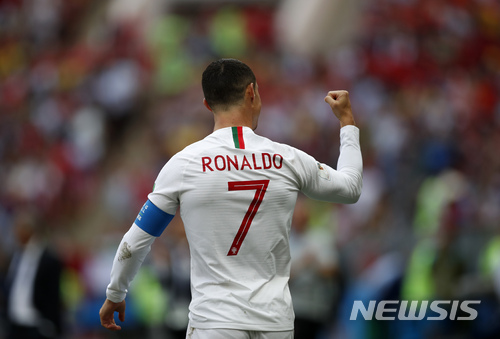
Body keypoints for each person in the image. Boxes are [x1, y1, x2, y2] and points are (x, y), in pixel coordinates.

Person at [99, 58, 363, 339]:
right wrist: (347, 122)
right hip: (275, 322)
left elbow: (136, 240)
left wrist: (116, 291)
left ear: (207, 105)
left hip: (215, 322)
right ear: (252, 93)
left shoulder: (183, 165)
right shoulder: (287, 159)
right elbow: (350, 188)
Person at [4, 210, 63, 339]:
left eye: (19, 228)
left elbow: (53, 295)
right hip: (15, 325)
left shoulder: (49, 260)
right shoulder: (17, 256)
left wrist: (50, 325)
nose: (15, 232)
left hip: (37, 326)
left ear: (30, 230)